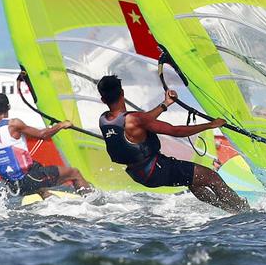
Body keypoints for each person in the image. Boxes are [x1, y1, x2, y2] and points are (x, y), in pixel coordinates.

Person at [97, 74, 247, 213]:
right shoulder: (135, 119)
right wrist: (210, 125)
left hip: (139, 174)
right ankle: (243, 210)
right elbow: (175, 131)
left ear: (103, 100)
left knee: (194, 181)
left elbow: (144, 120)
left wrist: (165, 104)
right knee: (211, 177)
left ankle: (230, 209)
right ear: (122, 92)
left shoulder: (104, 120)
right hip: (156, 169)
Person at [0, 91, 91, 199]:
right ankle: (93, 201)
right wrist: (61, 125)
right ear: (9, 107)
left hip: (11, 185)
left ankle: (55, 203)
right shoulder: (13, 124)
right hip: (26, 180)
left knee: (39, 177)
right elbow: (42, 135)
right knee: (74, 173)